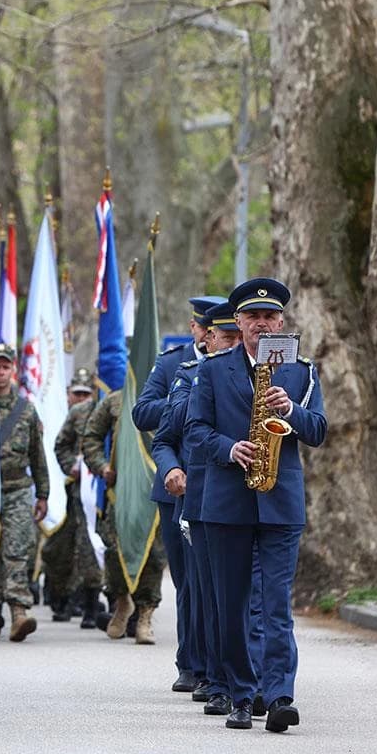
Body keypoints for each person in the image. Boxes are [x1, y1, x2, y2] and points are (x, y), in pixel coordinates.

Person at [186, 278, 326, 732]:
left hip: (280, 502)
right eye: (253, 318)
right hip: (227, 502)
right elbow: (194, 431)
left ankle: (280, 693)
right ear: (240, 323)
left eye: (270, 317)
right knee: (232, 604)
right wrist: (230, 449)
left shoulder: (300, 371)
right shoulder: (212, 370)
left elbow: (319, 429)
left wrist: (292, 412)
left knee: (275, 603)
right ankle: (242, 695)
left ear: (281, 322)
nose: (262, 324)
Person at [153, 302, 247, 714]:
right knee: (201, 589)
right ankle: (207, 670)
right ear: (207, 339)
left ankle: (247, 676)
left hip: (254, 499)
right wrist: (173, 469)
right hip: (200, 497)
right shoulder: (189, 375)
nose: (231, 346)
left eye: (236, 338)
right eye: (224, 338)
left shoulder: (272, 377)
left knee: (246, 595)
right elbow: (163, 433)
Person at [131, 295, 222, 689]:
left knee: (212, 583)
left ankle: (214, 666)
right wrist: (183, 396)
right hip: (176, 486)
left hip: (218, 484)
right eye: (205, 328)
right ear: (196, 328)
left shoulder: (236, 366)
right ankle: (190, 661)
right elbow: (142, 412)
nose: (209, 336)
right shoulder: (172, 365)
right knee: (188, 581)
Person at [82, 390, 167, 643]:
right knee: (114, 552)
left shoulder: (166, 395)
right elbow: (91, 437)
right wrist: (102, 466)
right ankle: (121, 602)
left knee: (153, 554)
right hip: (119, 492)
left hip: (153, 490)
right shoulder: (115, 400)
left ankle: (145, 616)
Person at [0, 342, 49, 641]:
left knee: (16, 550)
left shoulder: (25, 410)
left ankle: (19, 613)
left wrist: (43, 494)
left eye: (5, 367)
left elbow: (38, 454)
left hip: (18, 489)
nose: (0, 372)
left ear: (13, 370)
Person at [34, 368, 97, 623]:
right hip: (73, 490)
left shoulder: (104, 410)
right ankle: (62, 595)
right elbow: (61, 445)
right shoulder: (74, 415)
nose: (81, 399)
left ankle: (93, 602)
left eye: (86, 394)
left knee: (92, 544)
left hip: (100, 488)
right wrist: (72, 465)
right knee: (63, 546)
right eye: (77, 394)